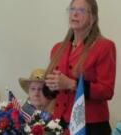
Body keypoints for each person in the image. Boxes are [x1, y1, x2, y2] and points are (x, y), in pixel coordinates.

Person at [44, 0, 116, 135]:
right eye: (72, 9)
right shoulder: (57, 48)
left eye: (81, 10)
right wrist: (49, 87)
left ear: (93, 17)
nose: (75, 14)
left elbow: (107, 90)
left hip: (91, 126)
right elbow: (50, 93)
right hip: (59, 123)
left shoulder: (104, 46)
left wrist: (71, 84)